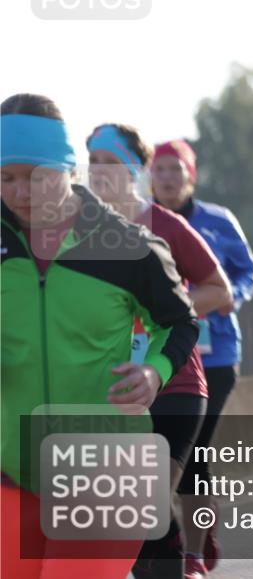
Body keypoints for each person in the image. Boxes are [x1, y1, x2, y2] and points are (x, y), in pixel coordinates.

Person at [1, 94, 199, 579]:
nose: (20, 192)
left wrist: (156, 371)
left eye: (37, 176)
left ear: (66, 169)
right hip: (11, 475)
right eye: (6, 177)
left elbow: (179, 323)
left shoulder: (126, 244)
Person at [86, 123, 235, 579]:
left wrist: (161, 312)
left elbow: (220, 290)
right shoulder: (73, 227)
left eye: (111, 162)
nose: (99, 171)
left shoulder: (163, 224)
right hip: (112, 386)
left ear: (136, 169)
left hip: (175, 380)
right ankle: (175, 557)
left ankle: (184, 556)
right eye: (92, 160)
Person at [151, 139, 253, 575]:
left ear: (190, 174)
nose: (168, 178)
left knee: (190, 451)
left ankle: (191, 552)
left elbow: (247, 270)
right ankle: (186, 533)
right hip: (157, 356)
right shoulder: (134, 222)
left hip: (215, 357)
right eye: (159, 170)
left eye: (176, 169)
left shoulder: (217, 221)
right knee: (164, 454)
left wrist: (232, 295)